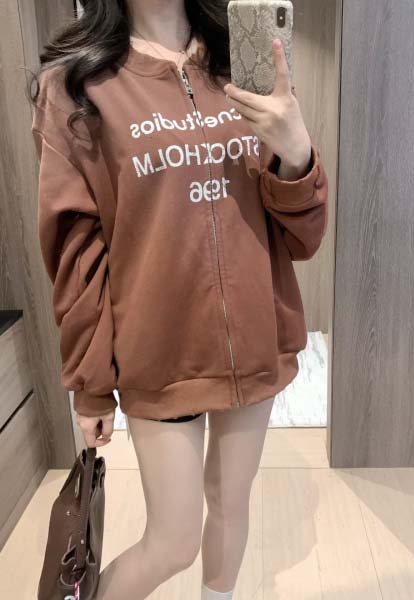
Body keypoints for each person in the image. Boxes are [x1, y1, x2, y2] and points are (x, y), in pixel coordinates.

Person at [29, 1, 328, 598]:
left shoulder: (242, 63)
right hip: (160, 350)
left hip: (253, 342)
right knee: (173, 542)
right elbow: (78, 255)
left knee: (231, 504)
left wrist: (296, 154)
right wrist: (91, 383)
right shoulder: (77, 84)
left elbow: (303, 236)